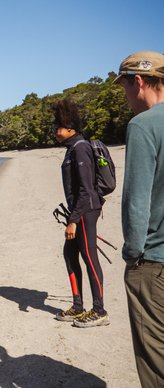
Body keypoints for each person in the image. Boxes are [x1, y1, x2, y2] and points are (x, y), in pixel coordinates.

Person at [114, 51, 164, 386]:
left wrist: (133, 254)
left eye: (125, 88)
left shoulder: (144, 125)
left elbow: (136, 201)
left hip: (154, 260)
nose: (127, 97)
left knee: (155, 357)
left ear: (140, 82)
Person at [50, 98, 109, 327]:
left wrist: (73, 220)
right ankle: (77, 307)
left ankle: (99, 311)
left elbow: (86, 189)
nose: (55, 131)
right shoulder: (72, 148)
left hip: (86, 210)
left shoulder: (80, 147)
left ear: (70, 129)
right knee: (70, 254)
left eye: (58, 128)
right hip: (79, 210)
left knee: (90, 258)